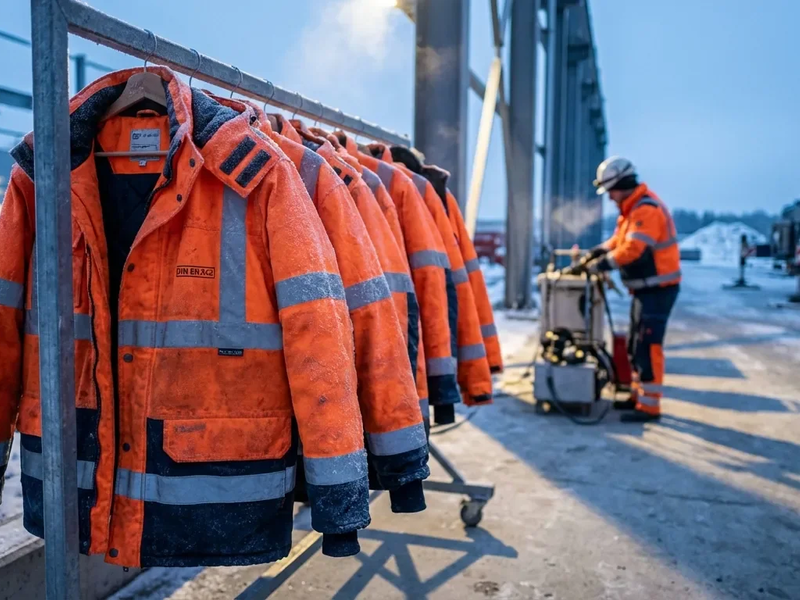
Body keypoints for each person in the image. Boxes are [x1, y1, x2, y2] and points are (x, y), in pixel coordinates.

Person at [581, 157, 681, 422]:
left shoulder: (646, 210)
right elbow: (619, 240)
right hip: (647, 291)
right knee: (637, 345)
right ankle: (639, 397)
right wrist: (599, 250)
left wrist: (603, 263)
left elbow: (634, 249)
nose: (610, 198)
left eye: (610, 190)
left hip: (659, 290)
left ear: (622, 184)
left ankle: (650, 407)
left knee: (648, 346)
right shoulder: (632, 208)